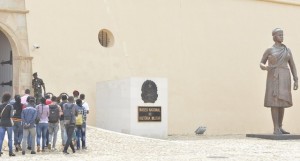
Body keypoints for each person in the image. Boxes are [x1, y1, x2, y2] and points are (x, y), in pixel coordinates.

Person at [260, 28, 298, 135]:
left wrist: (296, 79)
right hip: (274, 75)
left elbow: (293, 65)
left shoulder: (287, 50)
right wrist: (265, 67)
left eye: (282, 34)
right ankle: (275, 127)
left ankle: (280, 127)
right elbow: (261, 63)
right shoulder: (269, 50)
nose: (282, 36)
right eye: (280, 35)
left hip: (285, 76)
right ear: (274, 36)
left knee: (282, 101)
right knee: (274, 101)